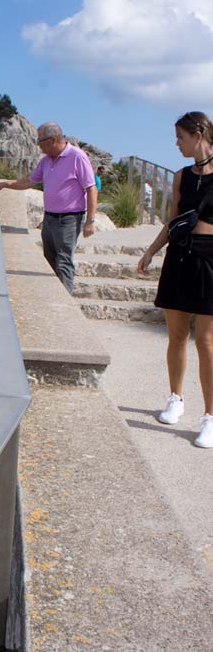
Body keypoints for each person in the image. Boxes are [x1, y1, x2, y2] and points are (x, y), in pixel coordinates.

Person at [138, 111, 213, 448]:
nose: (176, 144)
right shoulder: (182, 176)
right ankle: (175, 398)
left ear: (198, 134)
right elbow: (173, 221)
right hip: (179, 258)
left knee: (207, 342)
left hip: (210, 259)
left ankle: (210, 417)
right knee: (177, 336)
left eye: (180, 137)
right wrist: (151, 251)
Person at [0, 122, 97, 293]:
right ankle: (53, 294)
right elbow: (30, 181)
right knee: (49, 259)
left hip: (69, 218)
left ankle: (65, 302)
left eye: (40, 141)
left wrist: (90, 221)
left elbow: (91, 188)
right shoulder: (45, 161)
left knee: (64, 261)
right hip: (49, 218)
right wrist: (6, 183)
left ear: (52, 140)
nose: (38, 145)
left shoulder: (77, 157)